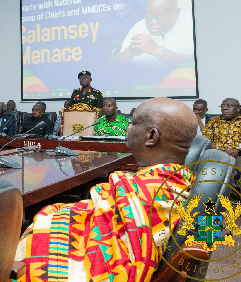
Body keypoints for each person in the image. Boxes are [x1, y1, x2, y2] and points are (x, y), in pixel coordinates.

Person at [14, 98, 197, 281]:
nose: (128, 127)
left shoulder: (149, 194)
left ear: (151, 136)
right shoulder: (177, 183)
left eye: (133, 123)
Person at [203, 98, 241, 221]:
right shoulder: (214, 122)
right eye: (223, 106)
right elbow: (205, 142)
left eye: (229, 106)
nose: (224, 108)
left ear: (238, 108)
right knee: (207, 170)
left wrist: (238, 151)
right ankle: (207, 210)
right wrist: (218, 151)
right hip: (217, 155)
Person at [116, 0, 193, 64]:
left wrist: (156, 50)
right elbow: (117, 66)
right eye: (148, 16)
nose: (152, 22)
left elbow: (196, 65)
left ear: (176, 13)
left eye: (159, 17)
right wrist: (130, 50)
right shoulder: (139, 26)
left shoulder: (191, 23)